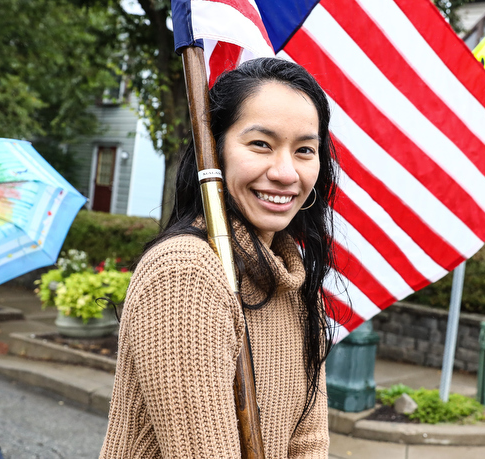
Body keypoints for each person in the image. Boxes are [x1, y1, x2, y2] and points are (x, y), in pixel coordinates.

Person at [100, 58, 340, 458]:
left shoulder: (296, 286)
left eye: (304, 150)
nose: (285, 172)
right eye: (261, 144)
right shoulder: (184, 274)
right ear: (215, 149)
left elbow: (309, 444)